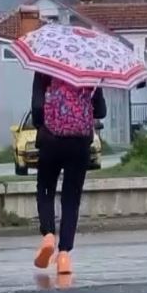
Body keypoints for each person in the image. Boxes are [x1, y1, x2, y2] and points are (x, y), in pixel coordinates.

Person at [31, 73, 106, 276]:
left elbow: (37, 110)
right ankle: (64, 255)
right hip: (79, 143)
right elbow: (101, 110)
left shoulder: (45, 66)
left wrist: (46, 124)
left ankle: (47, 235)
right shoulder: (88, 67)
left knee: (45, 189)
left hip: (51, 140)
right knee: (71, 199)